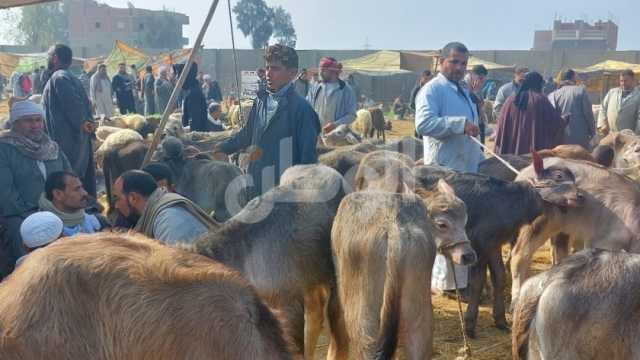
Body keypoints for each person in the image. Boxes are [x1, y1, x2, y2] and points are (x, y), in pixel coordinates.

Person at [415, 42, 484, 294]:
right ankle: (444, 284)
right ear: (441, 62)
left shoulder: (463, 90)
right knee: (444, 225)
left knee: (460, 225)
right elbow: (423, 124)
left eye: (463, 64)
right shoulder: (432, 90)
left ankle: (458, 283)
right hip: (443, 170)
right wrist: (459, 124)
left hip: (465, 168)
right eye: (454, 62)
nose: (459, 68)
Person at [213, 44, 321, 199]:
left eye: (275, 69)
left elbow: (308, 164)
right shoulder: (261, 101)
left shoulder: (303, 111)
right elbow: (247, 135)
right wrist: (220, 148)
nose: (268, 74)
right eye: (267, 68)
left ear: (292, 73)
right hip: (256, 187)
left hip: (282, 198)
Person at [0, 100, 71, 263]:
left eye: (38, 120)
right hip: (20, 214)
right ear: (16, 123)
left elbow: (70, 178)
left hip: (58, 208)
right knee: (23, 238)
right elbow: (6, 195)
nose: (35, 125)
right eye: (28, 120)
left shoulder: (52, 148)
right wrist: (36, 213)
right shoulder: (4, 148)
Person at [42, 44, 96, 199]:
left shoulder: (59, 77)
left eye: (49, 55)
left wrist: (82, 123)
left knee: (71, 183)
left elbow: (74, 107)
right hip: (74, 141)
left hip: (69, 143)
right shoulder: (67, 76)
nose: (47, 58)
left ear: (55, 58)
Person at [113, 170, 218, 244]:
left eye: (117, 198)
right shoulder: (160, 213)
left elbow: (184, 269)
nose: (116, 206)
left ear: (133, 198)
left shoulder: (169, 219)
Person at [494, 71, 566, 155]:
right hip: (532, 152)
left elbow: (501, 124)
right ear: (538, 84)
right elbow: (555, 123)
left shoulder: (511, 99)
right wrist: (564, 120)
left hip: (511, 150)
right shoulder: (541, 100)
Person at [39, 171, 107, 237]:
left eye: (82, 187)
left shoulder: (98, 222)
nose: (84, 193)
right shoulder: (42, 233)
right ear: (58, 194)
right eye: (77, 189)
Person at [307, 57, 357, 133]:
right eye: (320, 70)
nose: (320, 73)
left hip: (337, 136)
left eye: (323, 70)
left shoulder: (345, 90)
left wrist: (335, 125)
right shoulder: (316, 87)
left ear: (332, 72)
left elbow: (352, 115)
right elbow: (307, 107)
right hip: (316, 134)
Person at [548, 69, 595, 148]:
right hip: (579, 140)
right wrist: (593, 133)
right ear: (573, 78)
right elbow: (588, 115)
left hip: (560, 140)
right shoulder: (581, 91)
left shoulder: (552, 95)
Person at [597, 69, 640, 135]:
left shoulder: (638, 96)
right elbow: (603, 108)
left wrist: (636, 135)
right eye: (621, 81)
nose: (623, 83)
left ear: (633, 80)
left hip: (629, 138)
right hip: (611, 135)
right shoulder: (612, 92)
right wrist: (602, 124)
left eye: (626, 81)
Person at [175, 63, 208, 132]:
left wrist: (185, 130)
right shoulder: (191, 90)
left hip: (196, 137)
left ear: (186, 77)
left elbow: (195, 122)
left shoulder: (193, 93)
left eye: (178, 76)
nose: (177, 79)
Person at [463, 64, 489, 143]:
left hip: (479, 122)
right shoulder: (464, 86)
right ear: (472, 75)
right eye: (480, 78)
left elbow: (481, 104)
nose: (481, 81)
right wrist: (475, 92)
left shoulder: (477, 86)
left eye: (483, 79)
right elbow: (470, 103)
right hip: (469, 124)